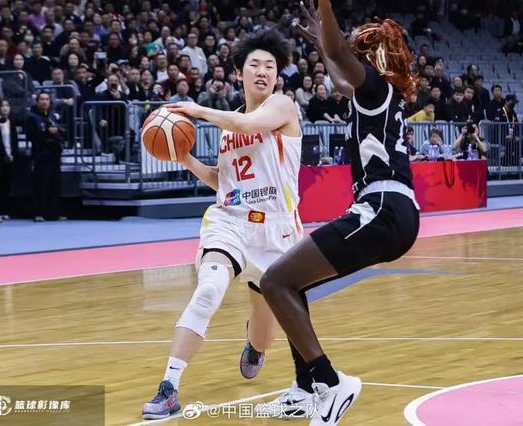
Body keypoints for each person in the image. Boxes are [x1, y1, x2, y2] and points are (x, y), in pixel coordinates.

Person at [259, 2, 420, 424]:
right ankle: (304, 389)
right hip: (391, 212)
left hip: (382, 209)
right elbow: (338, 71)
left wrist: (326, 10)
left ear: (372, 59)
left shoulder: (376, 88)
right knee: (291, 281)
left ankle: (330, 383)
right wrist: (322, 45)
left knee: (275, 281)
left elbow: (340, 56)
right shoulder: (374, 96)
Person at [141, 30, 303, 420]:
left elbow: (249, 125)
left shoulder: (282, 106)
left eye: (270, 66)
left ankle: (256, 344)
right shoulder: (230, 127)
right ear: (240, 73)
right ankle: (169, 387)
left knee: (264, 333)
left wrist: (198, 111)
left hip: (277, 231)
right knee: (209, 289)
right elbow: (224, 181)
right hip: (230, 222)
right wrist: (185, 158)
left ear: (277, 75)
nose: (262, 71)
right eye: (254, 65)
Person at [26, 92, 65, 222]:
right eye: (42, 99)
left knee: (55, 184)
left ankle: (54, 213)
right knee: (41, 184)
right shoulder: (32, 117)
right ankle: (38, 213)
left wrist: (57, 133)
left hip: (54, 154)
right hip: (41, 154)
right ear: (37, 101)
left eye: (47, 99)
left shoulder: (53, 115)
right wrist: (48, 132)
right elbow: (32, 136)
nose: (44, 102)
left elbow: (61, 131)